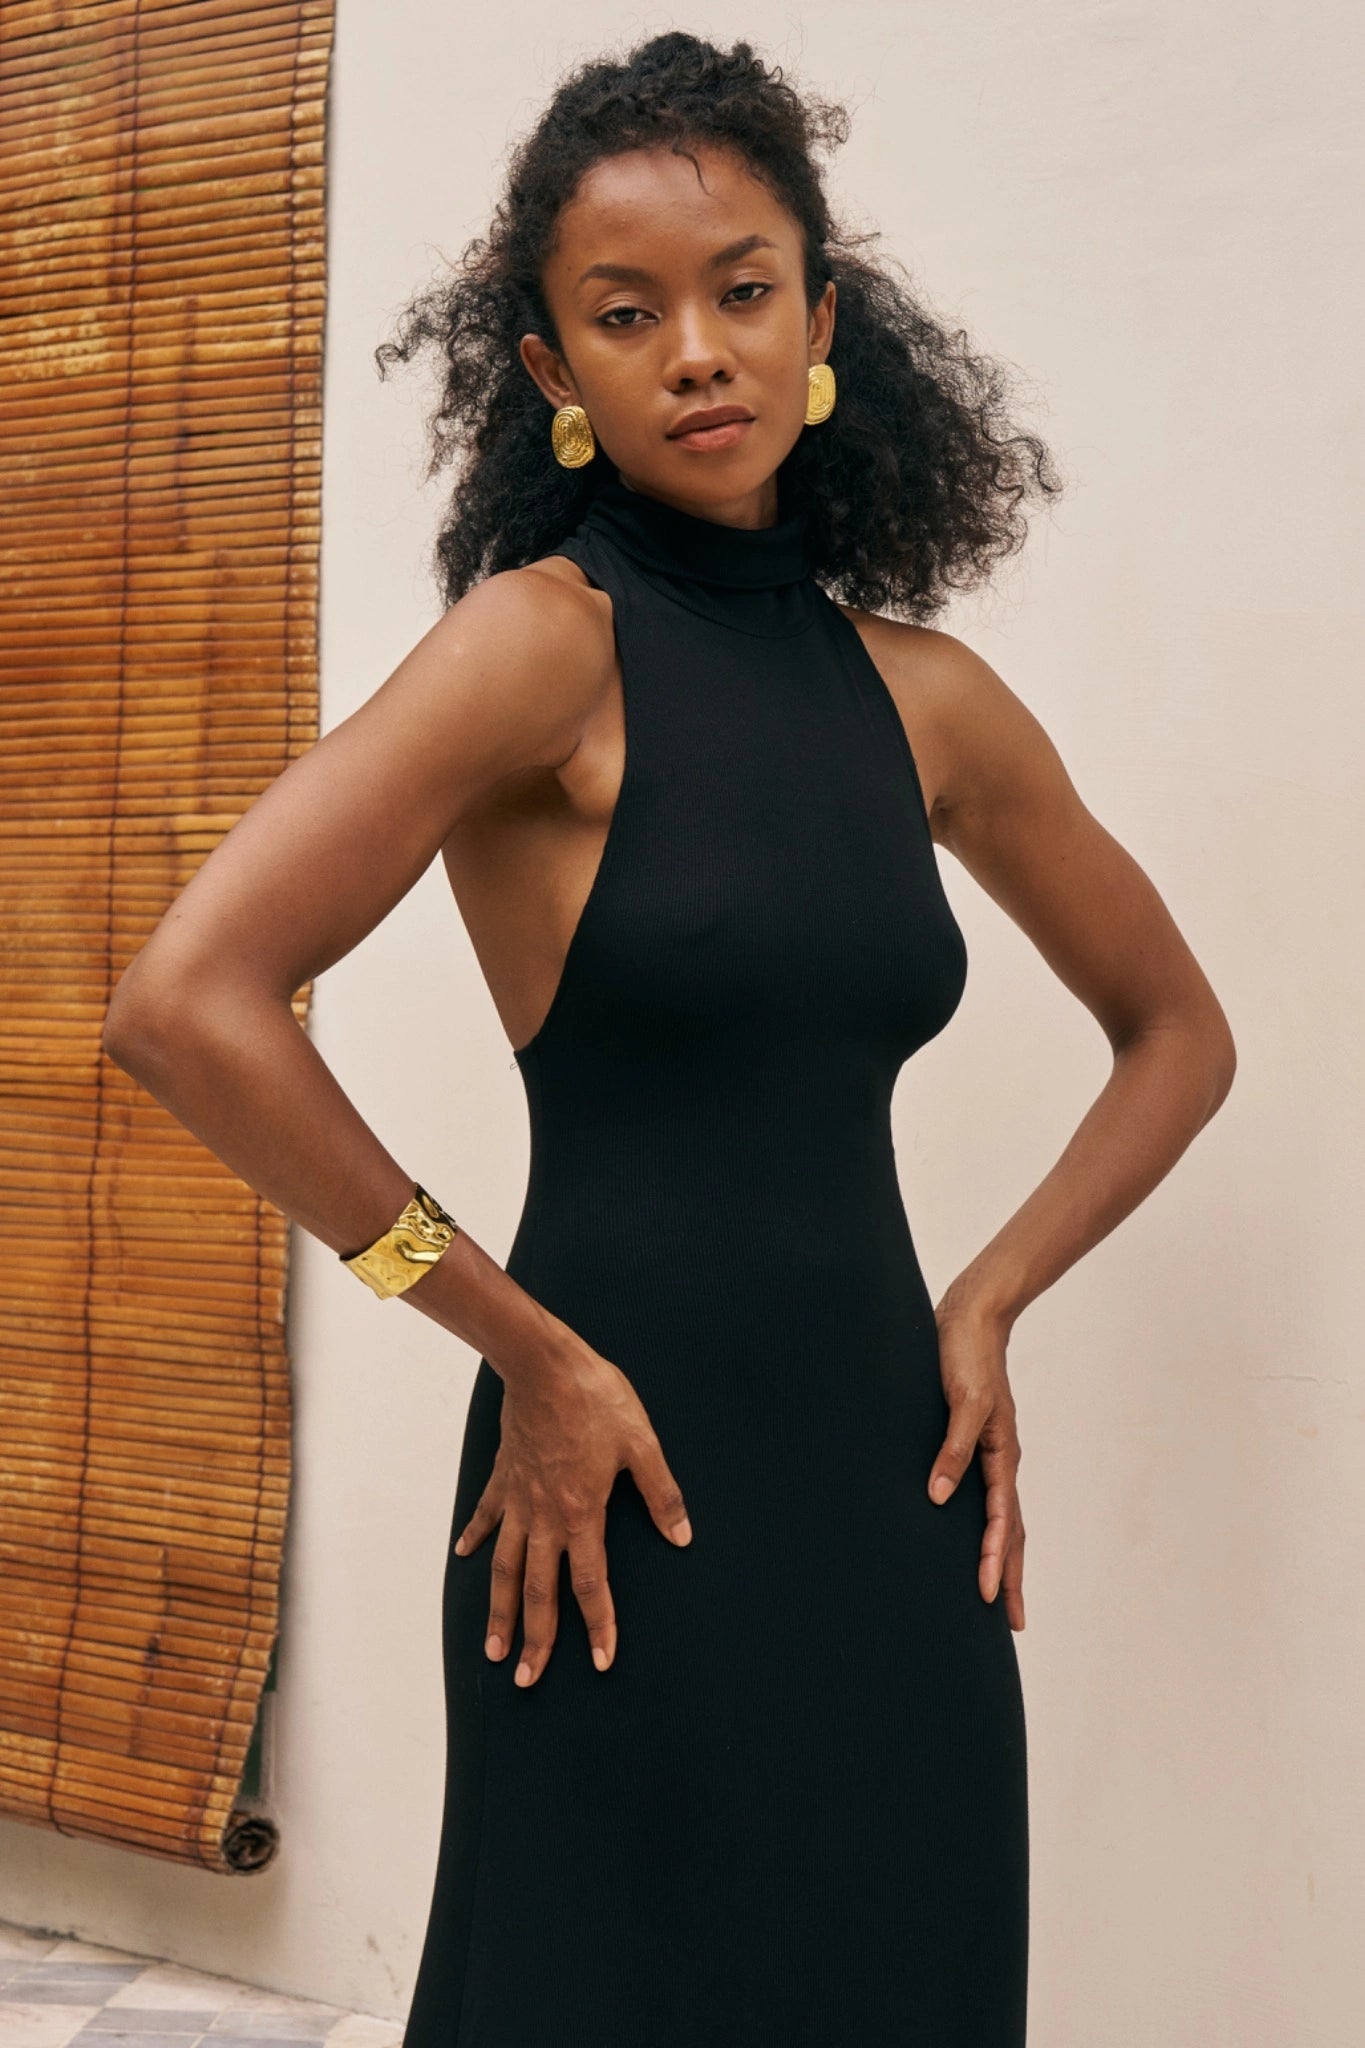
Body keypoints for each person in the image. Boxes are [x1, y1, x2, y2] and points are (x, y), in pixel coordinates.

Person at [102, 29, 1236, 2048]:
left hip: (893, 1486)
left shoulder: (929, 700)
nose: (695, 351)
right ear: (551, 372)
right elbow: (186, 1003)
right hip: (604, 1470)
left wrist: (983, 1299)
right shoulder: (539, 647)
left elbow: (1173, 1033)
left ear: (821, 316)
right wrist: (512, 1342)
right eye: (624, 315)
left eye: (740, 290)